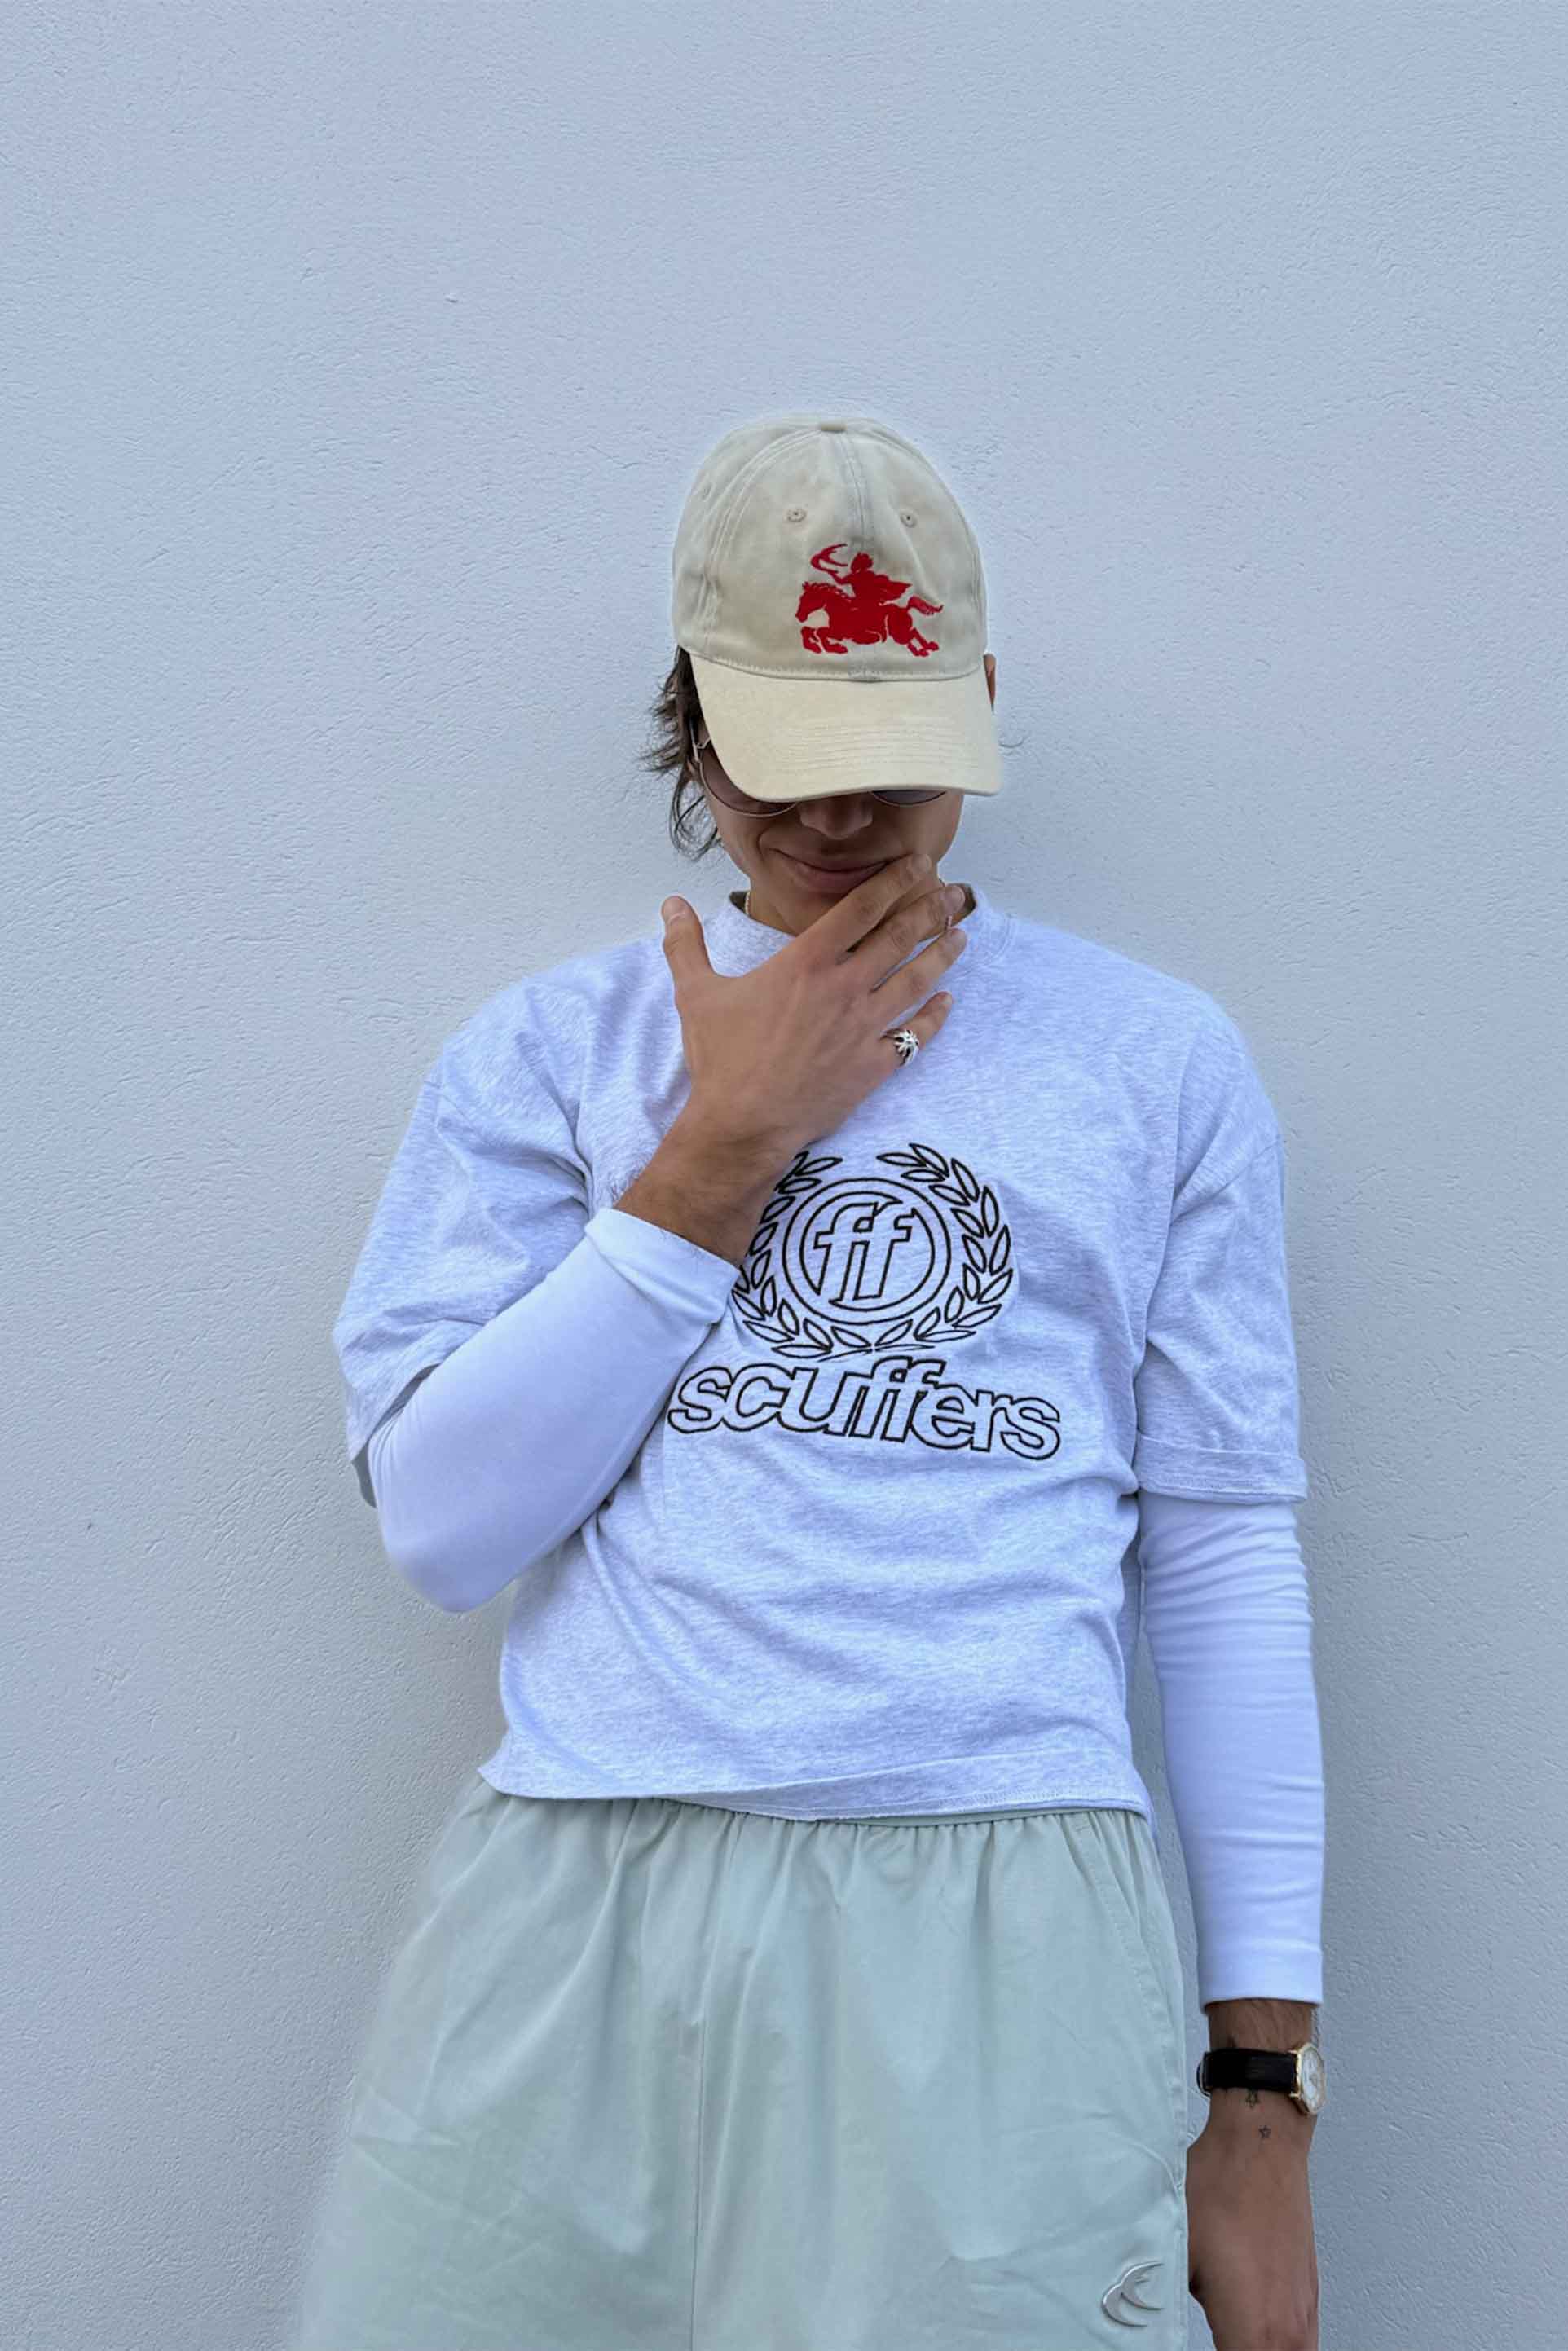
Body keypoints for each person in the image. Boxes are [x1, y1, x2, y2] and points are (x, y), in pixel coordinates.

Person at [295, 412, 1325, 2351]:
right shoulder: (552, 1054)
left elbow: (1215, 1558)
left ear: (978, 706)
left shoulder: (1148, 1061)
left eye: (892, 755)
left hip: (997, 1908)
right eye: (783, 754)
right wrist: (721, 1149)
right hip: (586, 1894)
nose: (840, 815)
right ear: (691, 727)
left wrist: (1258, 2100)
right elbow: (440, 1529)